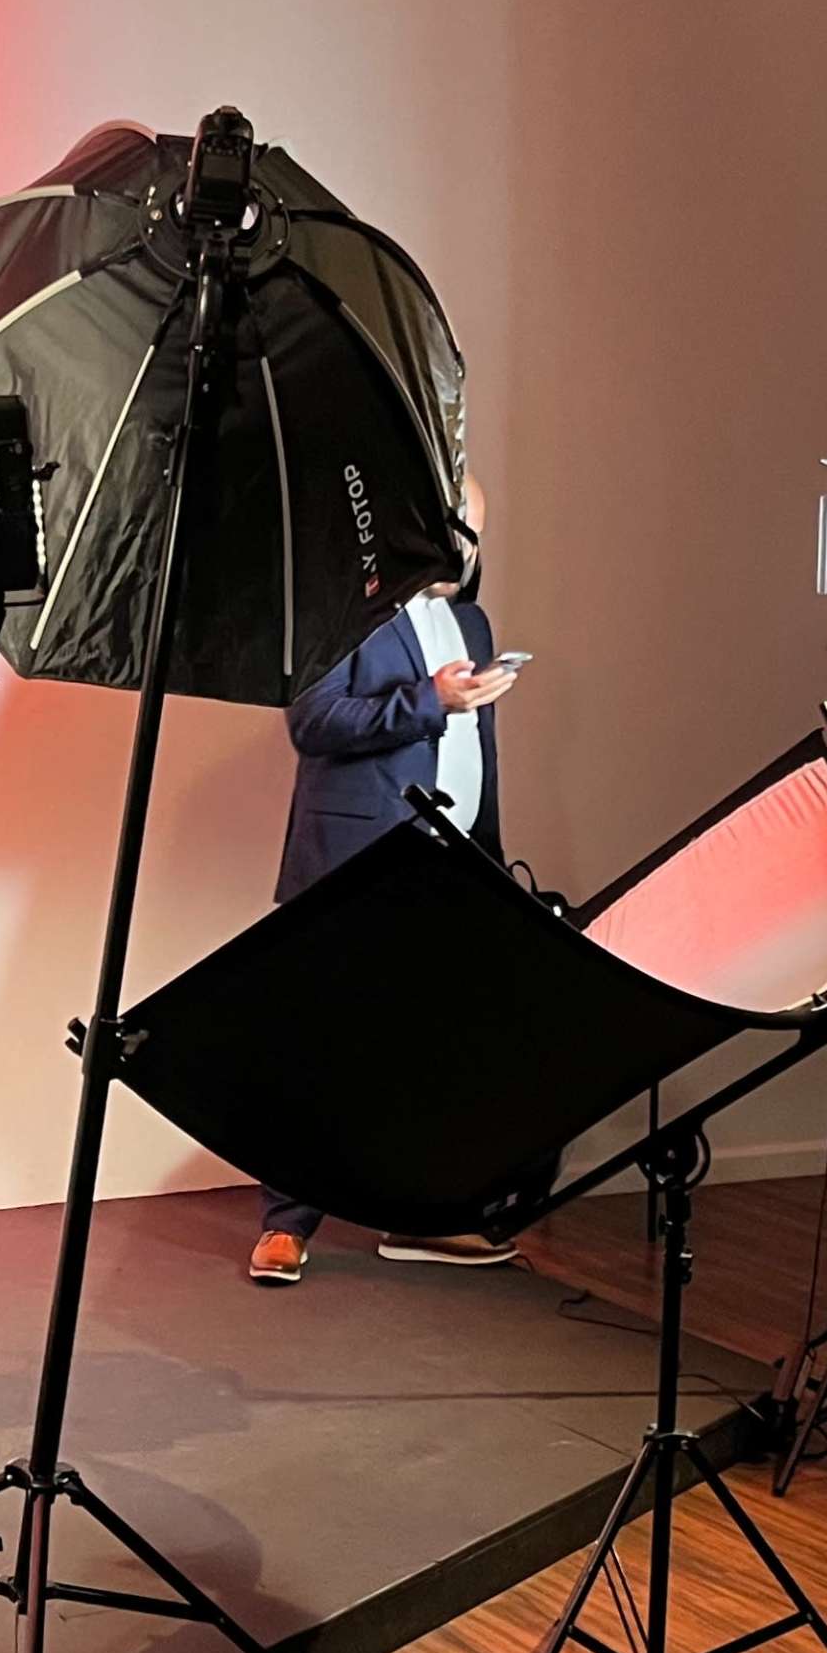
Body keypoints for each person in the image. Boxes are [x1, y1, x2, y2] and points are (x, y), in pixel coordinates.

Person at [247, 475, 522, 1284]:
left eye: (476, 531)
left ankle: (423, 1218)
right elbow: (312, 723)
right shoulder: (343, 604)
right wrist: (429, 700)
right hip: (355, 861)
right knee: (324, 1045)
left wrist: (490, 855)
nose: (468, 549)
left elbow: (476, 747)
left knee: (432, 1051)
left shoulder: (471, 621)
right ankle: (285, 1225)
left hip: (455, 861)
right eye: (456, 530)